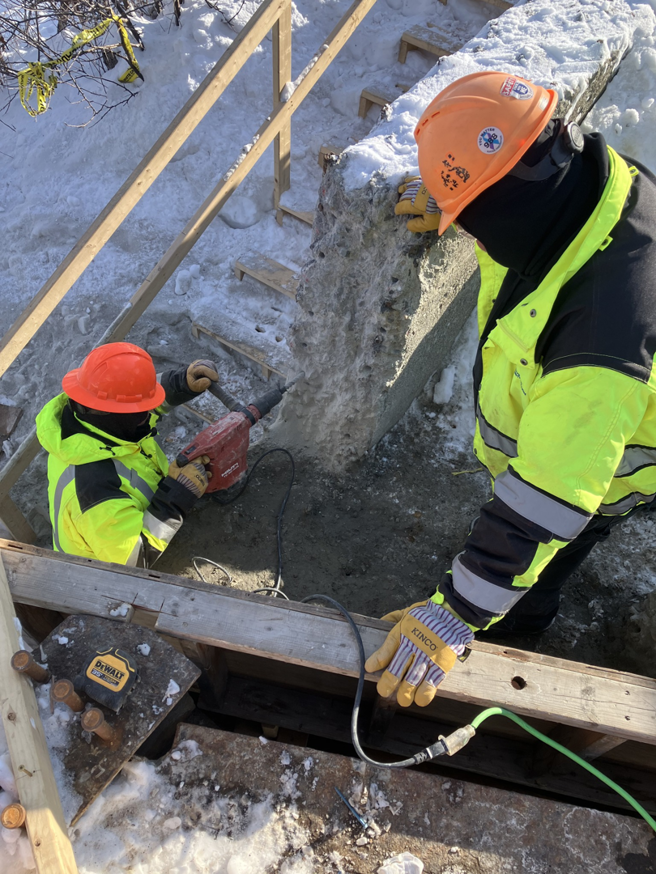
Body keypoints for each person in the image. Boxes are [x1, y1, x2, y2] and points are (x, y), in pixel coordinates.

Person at [366, 70, 656, 707]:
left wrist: (456, 612)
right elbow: (517, 208)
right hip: (585, 425)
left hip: (604, 470)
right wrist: (457, 201)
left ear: (510, 205)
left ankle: (519, 630)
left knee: (556, 545)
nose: (474, 236)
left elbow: (549, 498)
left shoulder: (602, 334)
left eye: (477, 222)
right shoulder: (584, 189)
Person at [36, 342, 219, 567]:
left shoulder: (88, 418)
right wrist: (178, 495)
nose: (149, 413)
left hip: (121, 530)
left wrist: (180, 383)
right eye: (142, 411)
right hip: (103, 578)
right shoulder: (93, 489)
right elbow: (134, 559)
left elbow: (127, 397)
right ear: (120, 415)